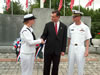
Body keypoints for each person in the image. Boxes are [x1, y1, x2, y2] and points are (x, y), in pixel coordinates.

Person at [41, 10, 67, 75]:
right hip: (48, 50)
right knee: (46, 66)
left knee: (55, 67)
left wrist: (63, 50)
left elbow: (64, 39)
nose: (51, 18)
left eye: (53, 17)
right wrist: (42, 39)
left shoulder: (64, 27)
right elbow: (44, 35)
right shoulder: (48, 25)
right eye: (51, 16)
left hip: (57, 51)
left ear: (58, 17)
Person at [67, 10, 92, 75]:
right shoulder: (70, 27)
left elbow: (87, 39)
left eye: (75, 17)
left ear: (79, 17)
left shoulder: (85, 27)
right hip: (72, 48)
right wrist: (69, 48)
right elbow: (69, 38)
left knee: (80, 65)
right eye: (73, 16)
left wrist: (87, 50)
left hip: (80, 48)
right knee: (70, 65)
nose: (73, 18)